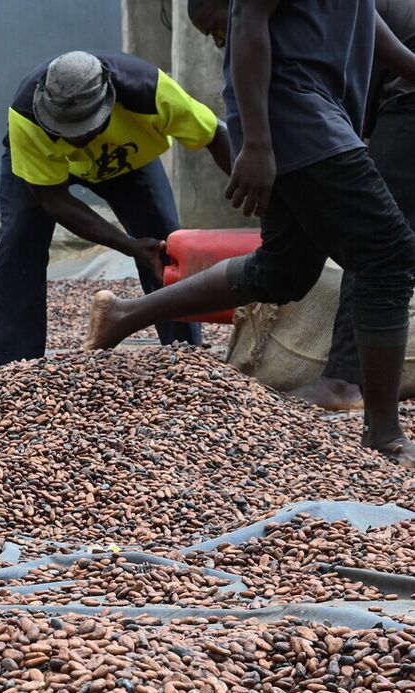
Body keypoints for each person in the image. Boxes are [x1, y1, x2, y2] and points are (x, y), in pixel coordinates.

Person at [87, 0, 415, 467]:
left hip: (309, 115)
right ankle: (384, 434)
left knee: (283, 271)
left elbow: (361, 16)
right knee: (388, 254)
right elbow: (247, 18)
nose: (215, 40)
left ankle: (123, 315)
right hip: (294, 114)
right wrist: (258, 144)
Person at [0, 51, 232, 368]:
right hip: (46, 174)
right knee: (18, 245)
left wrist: (252, 189)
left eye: (85, 129)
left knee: (165, 245)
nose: (76, 141)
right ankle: (11, 366)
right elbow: (51, 199)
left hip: (126, 162)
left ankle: (185, 355)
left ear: (110, 103)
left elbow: (215, 133)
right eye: (65, 130)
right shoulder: (26, 115)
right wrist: (127, 246)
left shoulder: (147, 89)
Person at [293, 0, 415, 412]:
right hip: (400, 90)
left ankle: (343, 381)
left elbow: (344, 95)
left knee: (374, 240)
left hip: (408, 98)